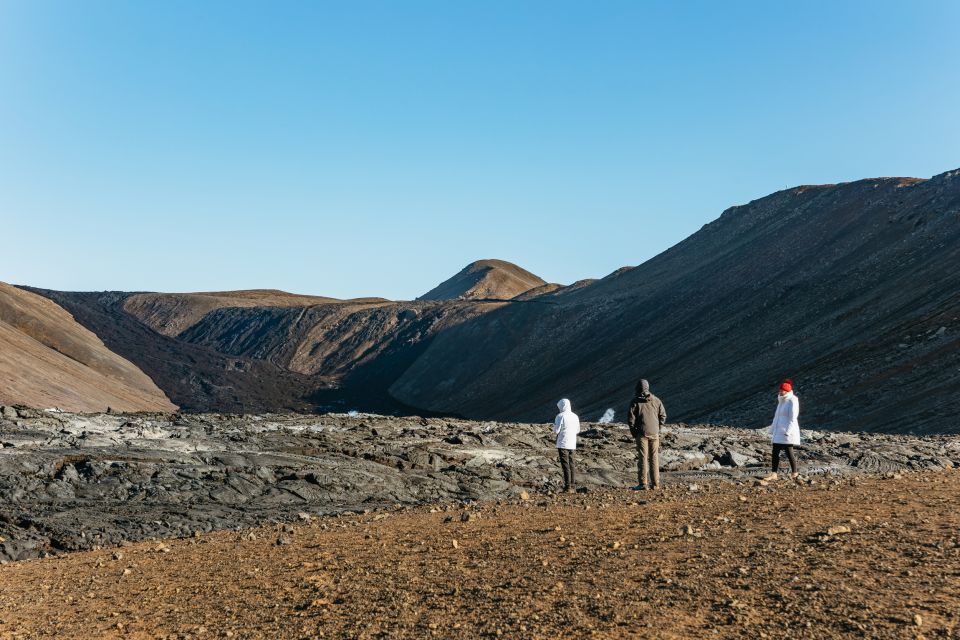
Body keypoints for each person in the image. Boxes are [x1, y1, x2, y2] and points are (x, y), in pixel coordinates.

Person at [628, 379, 666, 490]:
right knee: (654, 458)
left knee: (643, 458)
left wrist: (635, 433)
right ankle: (655, 484)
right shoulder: (656, 400)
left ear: (638, 389)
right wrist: (658, 428)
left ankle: (643, 484)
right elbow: (663, 416)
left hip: (642, 433)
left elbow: (631, 420)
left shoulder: (635, 402)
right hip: (654, 433)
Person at [764, 379, 800, 480]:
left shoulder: (793, 400)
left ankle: (795, 473)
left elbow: (793, 417)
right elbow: (777, 417)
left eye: (782, 390)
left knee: (789, 452)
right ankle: (774, 473)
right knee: (775, 452)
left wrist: (788, 432)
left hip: (787, 432)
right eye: (780, 390)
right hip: (778, 431)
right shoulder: (781, 400)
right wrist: (772, 430)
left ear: (787, 390)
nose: (780, 392)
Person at [552, 398, 580, 493]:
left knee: (565, 464)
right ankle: (573, 485)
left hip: (563, 443)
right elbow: (577, 430)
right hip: (572, 443)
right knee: (572, 464)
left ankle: (567, 486)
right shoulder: (575, 416)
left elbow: (556, 431)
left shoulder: (560, 416)